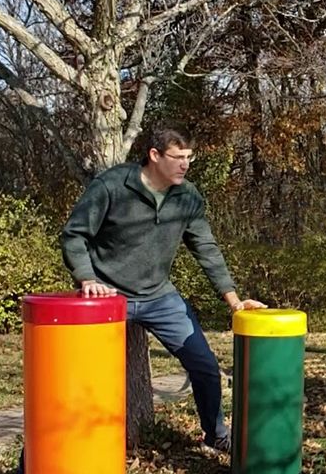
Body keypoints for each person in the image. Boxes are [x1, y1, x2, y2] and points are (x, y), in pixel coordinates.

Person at [61, 126, 266, 454]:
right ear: (154, 155)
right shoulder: (112, 186)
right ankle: (46, 461)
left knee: (205, 366)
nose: (185, 164)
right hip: (107, 298)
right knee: (75, 380)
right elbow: (74, 235)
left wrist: (233, 300)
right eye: (178, 157)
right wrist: (87, 279)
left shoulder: (187, 197)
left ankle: (216, 435)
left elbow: (206, 249)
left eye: (189, 157)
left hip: (159, 296)